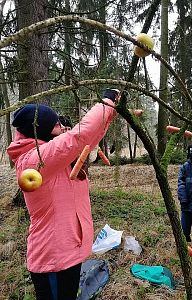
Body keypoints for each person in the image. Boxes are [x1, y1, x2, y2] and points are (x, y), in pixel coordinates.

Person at [7, 88, 121, 300]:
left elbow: (89, 140)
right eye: (57, 125)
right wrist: (107, 101)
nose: (62, 127)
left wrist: (111, 112)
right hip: (53, 261)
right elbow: (80, 136)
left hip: (69, 254)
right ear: (41, 131)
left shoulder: (53, 157)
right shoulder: (36, 160)